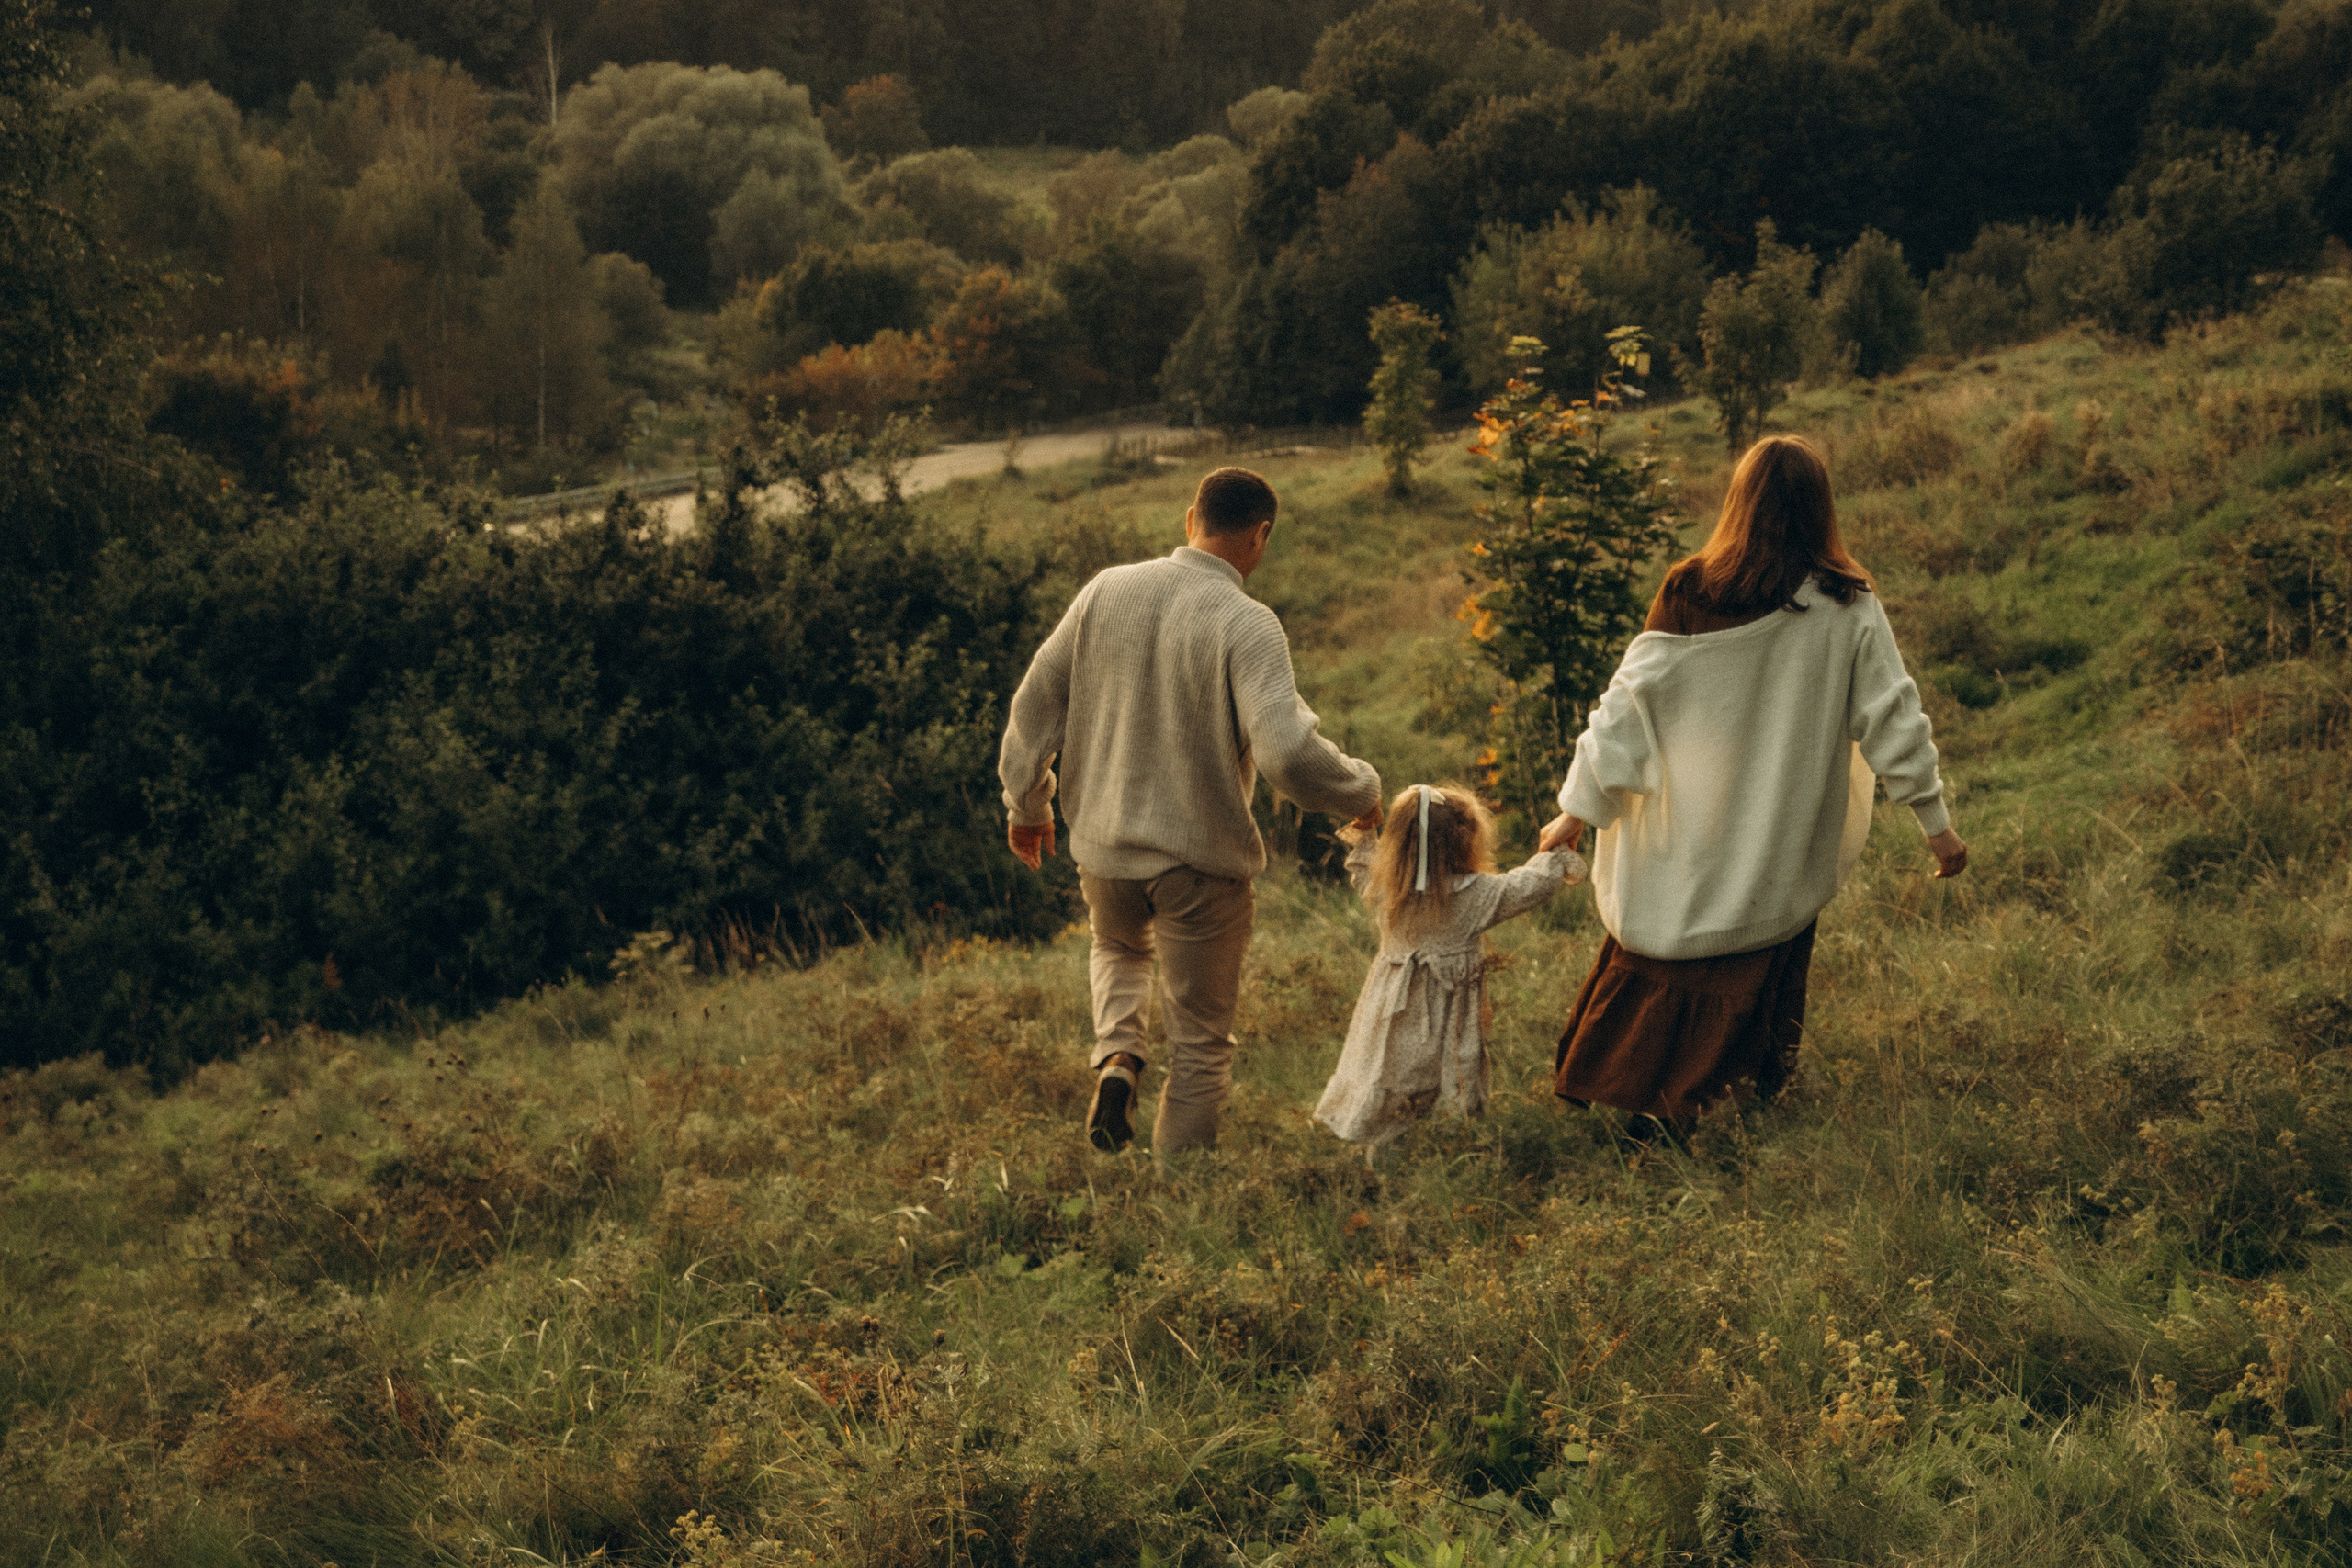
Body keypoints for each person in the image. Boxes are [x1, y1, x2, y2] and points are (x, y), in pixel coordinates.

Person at [1539, 435, 1968, 1144]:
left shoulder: (1690, 589)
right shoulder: (1845, 603)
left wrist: (1575, 810)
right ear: (1820, 508)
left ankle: (1650, 1110)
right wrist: (1937, 824)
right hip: (1771, 834)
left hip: (1685, 830)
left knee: (1666, 951)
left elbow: (1625, 709)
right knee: (1754, 951)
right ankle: (1717, 1108)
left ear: (1739, 501)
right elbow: (1893, 715)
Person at [999, 467, 1384, 1155]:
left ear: (1190, 519)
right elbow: (1287, 753)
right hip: (1199, 866)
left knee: (1118, 947)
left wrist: (1027, 804)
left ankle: (1118, 1056)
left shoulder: (1105, 590)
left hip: (1104, 852)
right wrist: (1360, 791)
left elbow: (1034, 708)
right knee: (1200, 1042)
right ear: (1259, 536)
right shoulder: (1247, 622)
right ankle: (1180, 1188)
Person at [1314, 784, 1584, 1160]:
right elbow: (1529, 886)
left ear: (1399, 844)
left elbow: (1364, 865)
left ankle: (1389, 1156)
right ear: (1466, 842)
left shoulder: (1388, 889)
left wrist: (1366, 829)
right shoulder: (1476, 894)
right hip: (1449, 1016)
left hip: (1392, 1013)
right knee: (1450, 1071)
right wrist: (1555, 852)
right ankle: (1448, 1154)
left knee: (1392, 1071)